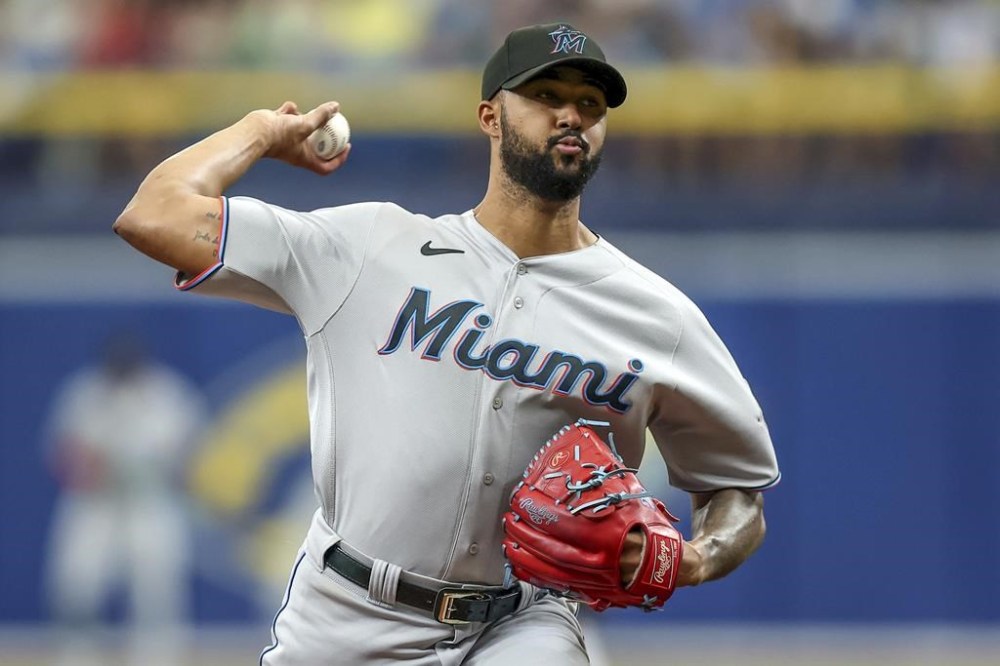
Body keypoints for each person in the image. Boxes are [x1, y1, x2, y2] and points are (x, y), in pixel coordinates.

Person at [113, 22, 780, 665]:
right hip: (347, 611)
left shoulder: (655, 315)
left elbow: (737, 490)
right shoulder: (370, 246)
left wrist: (694, 558)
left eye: (590, 103)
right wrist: (259, 131)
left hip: (523, 623)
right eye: (546, 97)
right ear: (490, 117)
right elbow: (154, 216)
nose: (571, 115)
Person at [43, 330, 205, 665]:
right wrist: (89, 467)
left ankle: (157, 656)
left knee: (156, 583)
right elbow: (64, 454)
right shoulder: (86, 392)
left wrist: (159, 469)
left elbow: (189, 456)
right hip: (96, 502)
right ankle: (77, 656)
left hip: (150, 500)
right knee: (78, 579)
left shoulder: (166, 394)